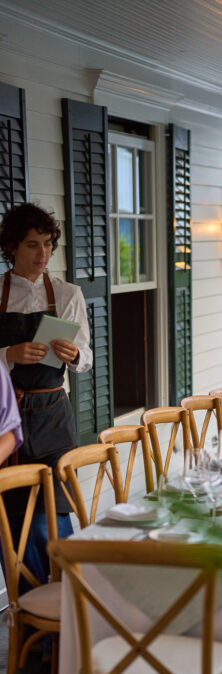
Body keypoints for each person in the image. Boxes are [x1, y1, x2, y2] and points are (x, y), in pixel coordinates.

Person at [0, 202, 92, 582]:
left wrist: (75, 354)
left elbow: (86, 358)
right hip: (9, 421)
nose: (43, 254)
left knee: (53, 519)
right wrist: (8, 355)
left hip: (54, 416)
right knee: (14, 523)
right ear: (12, 249)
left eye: (49, 244)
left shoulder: (69, 294)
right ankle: (30, 622)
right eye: (33, 245)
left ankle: (67, 608)